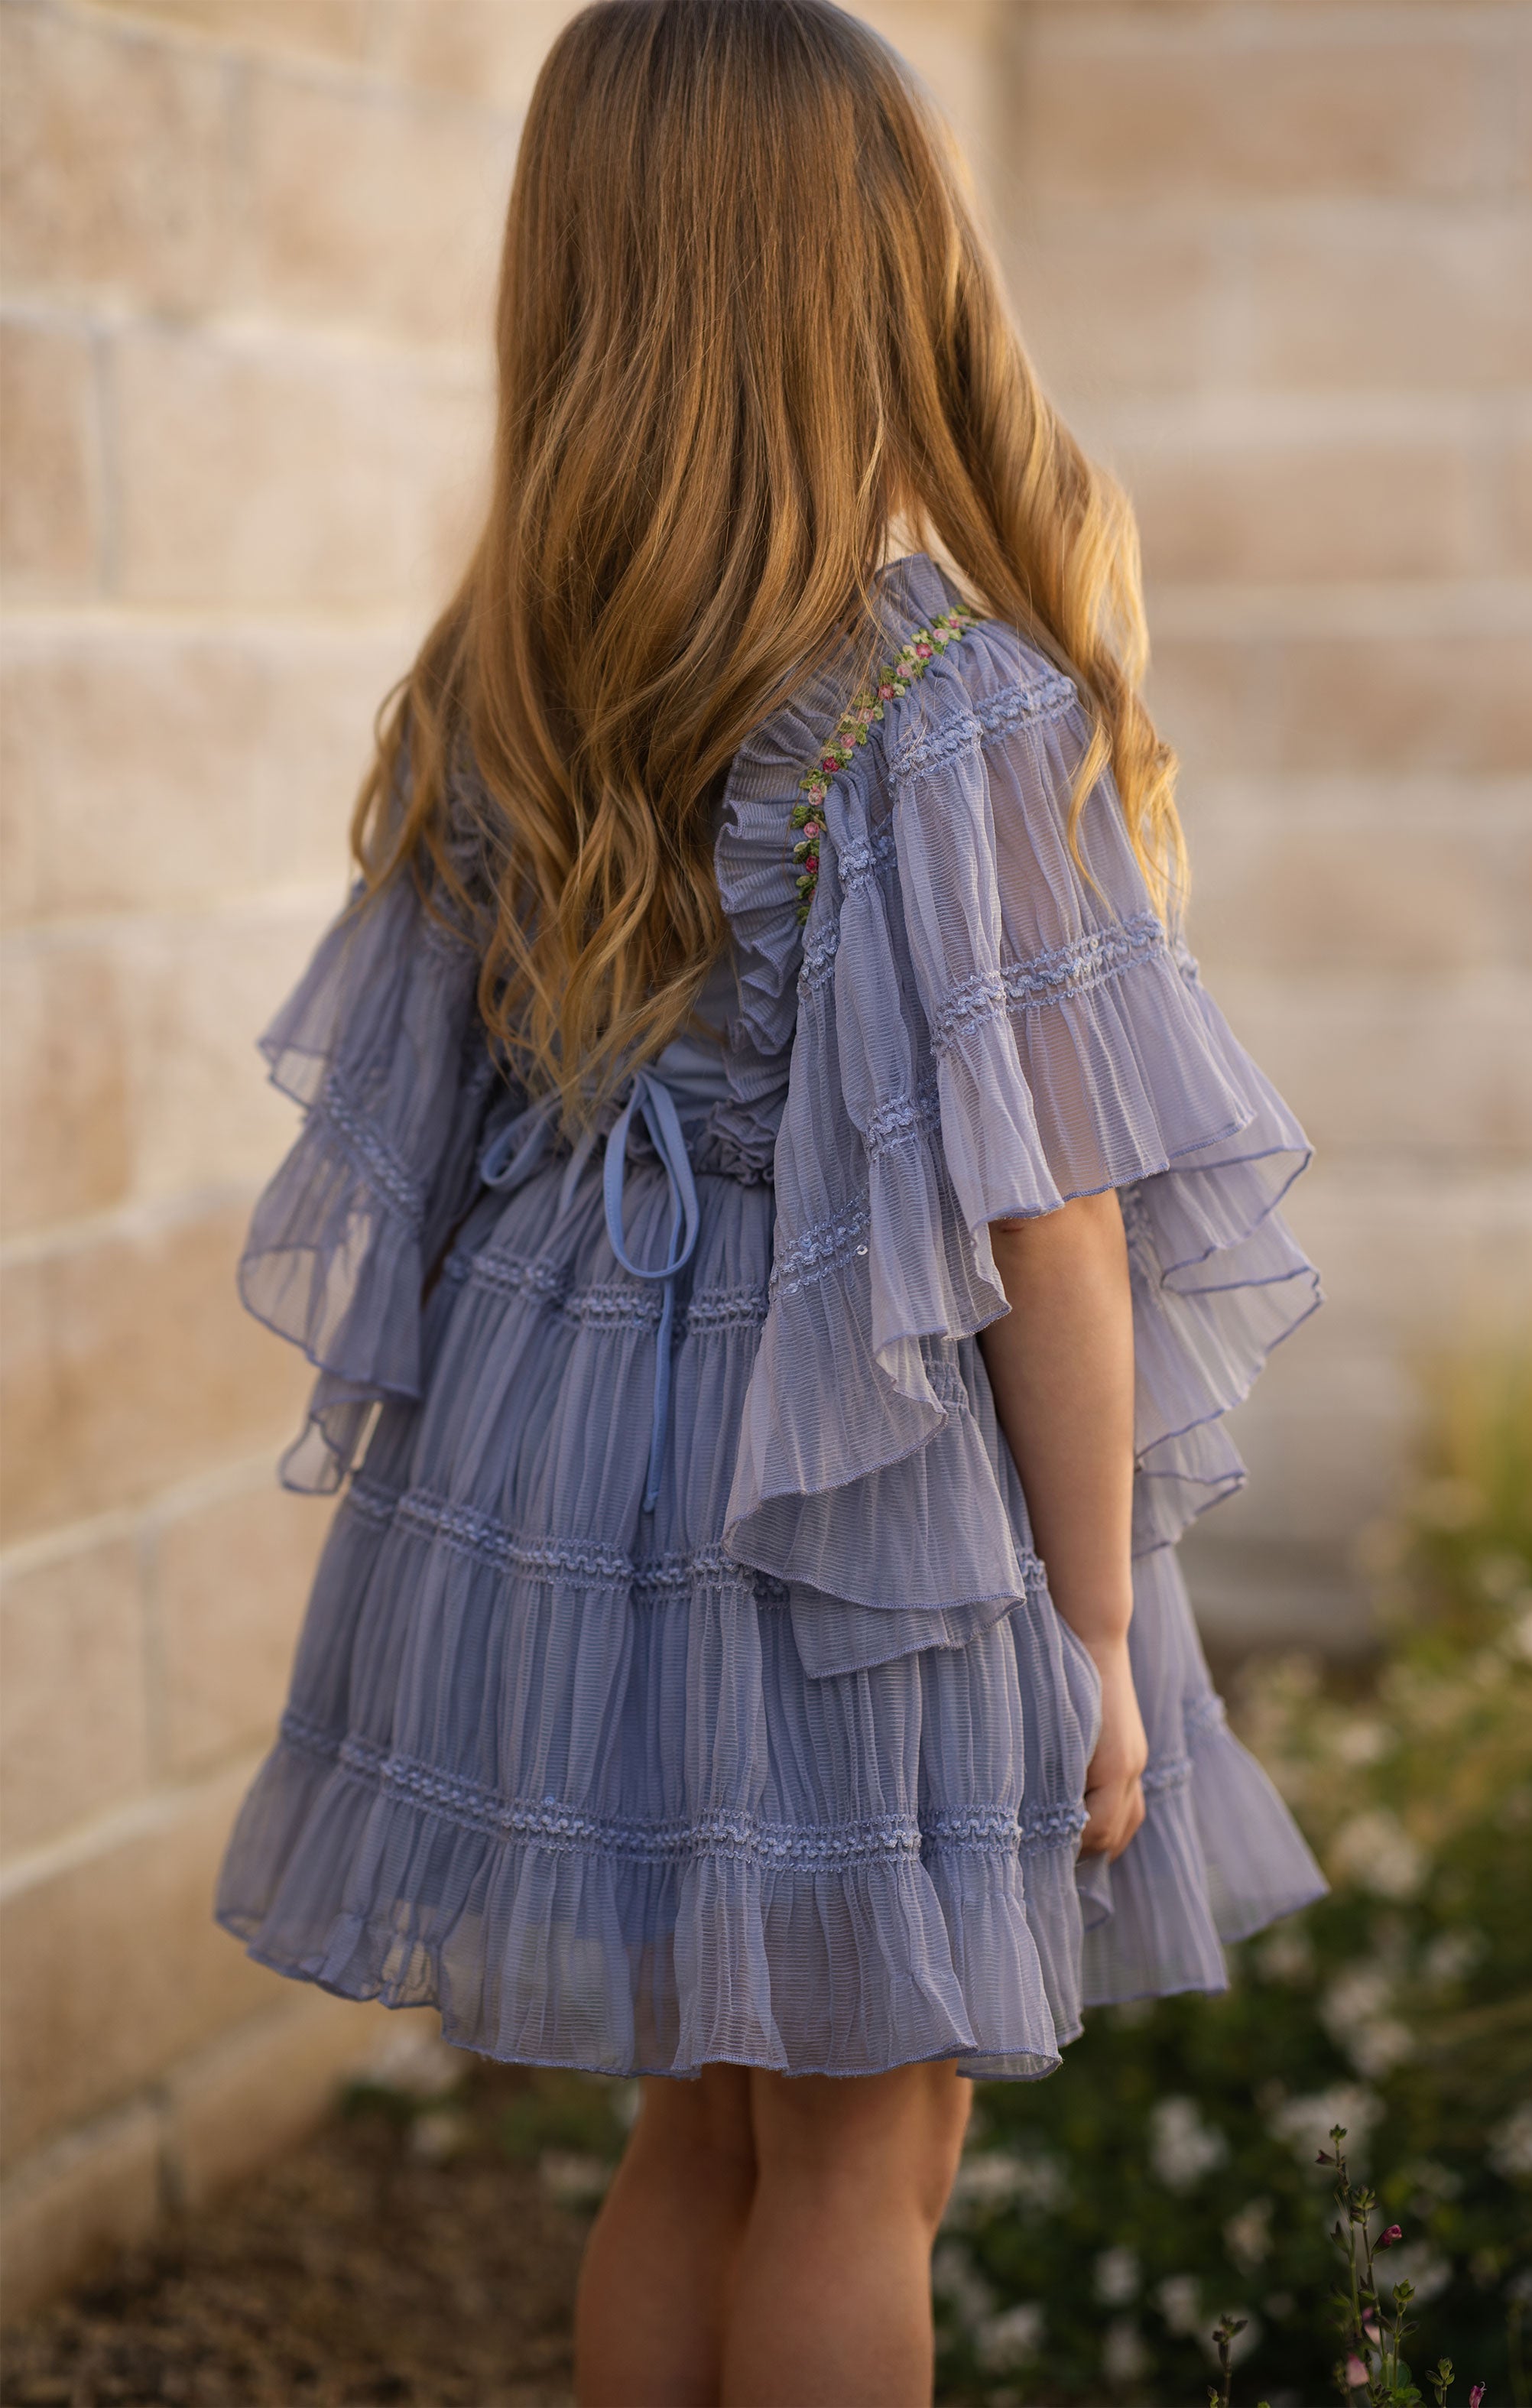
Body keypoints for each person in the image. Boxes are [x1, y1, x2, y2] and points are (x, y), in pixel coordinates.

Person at [213, 4, 1328, 2400]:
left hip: (571, 1464)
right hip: (858, 1501)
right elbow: (1052, 1227)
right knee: (860, 2158)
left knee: (697, 2138)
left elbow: (421, 1150)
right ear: (880, 277)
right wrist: (1097, 1631)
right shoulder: (947, 701)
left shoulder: (491, 679)